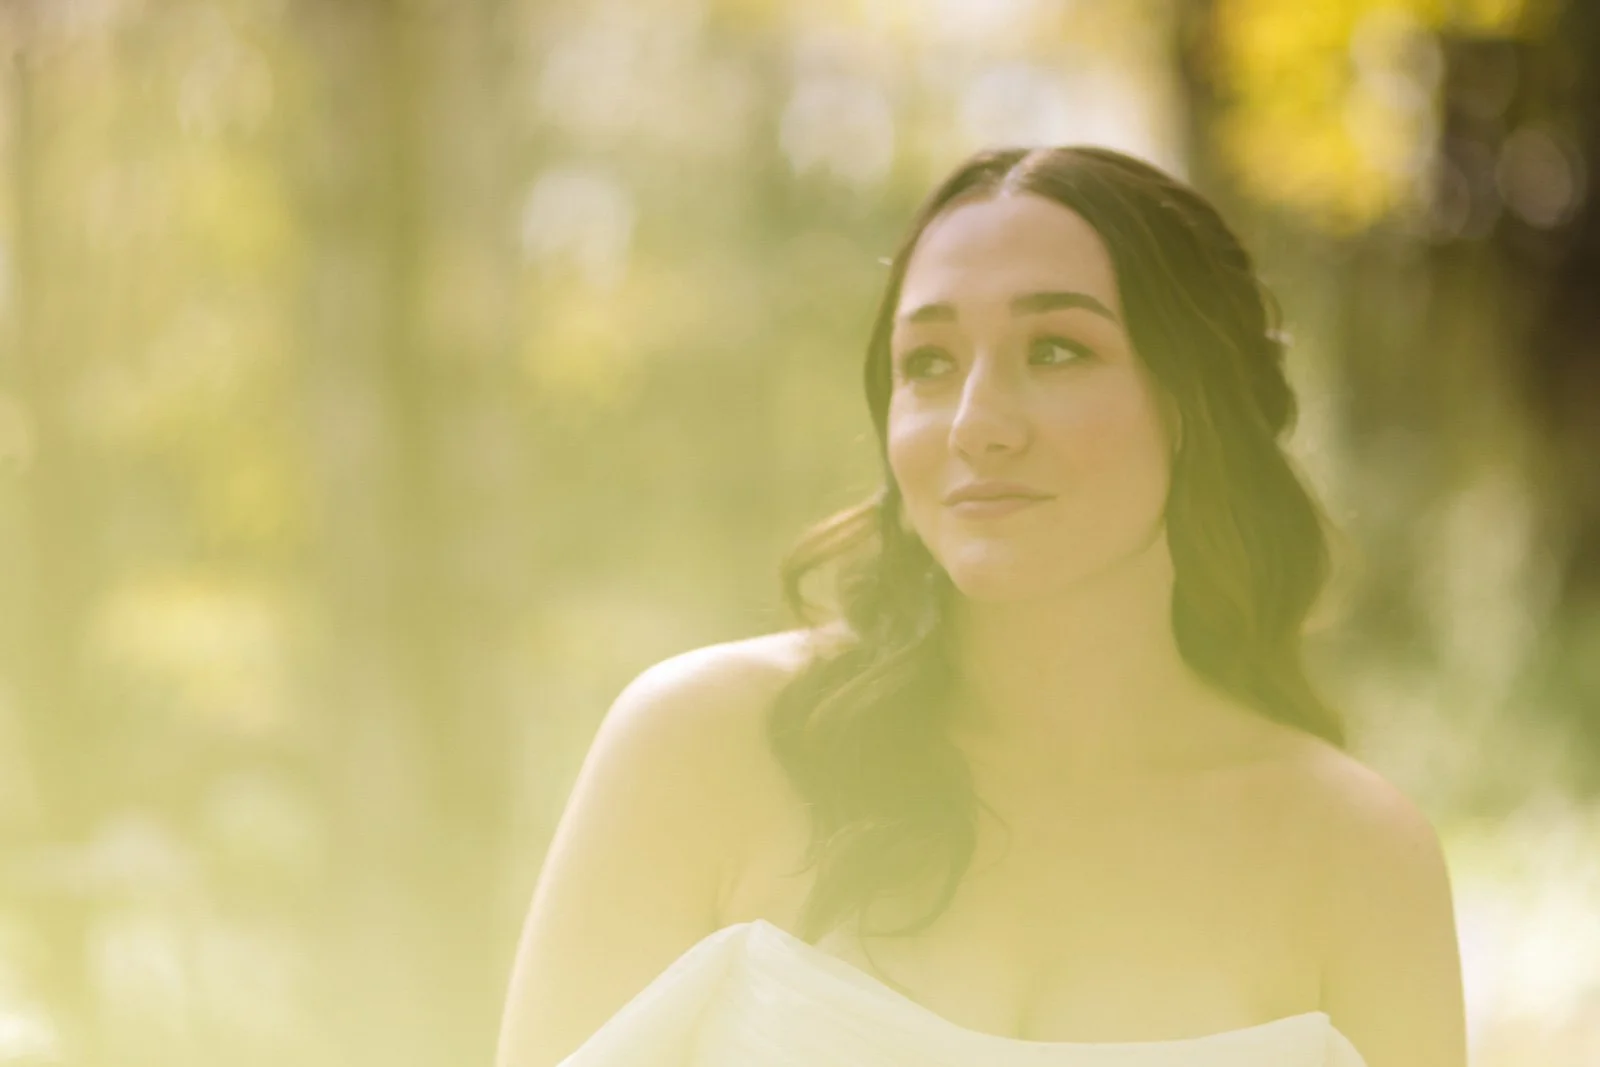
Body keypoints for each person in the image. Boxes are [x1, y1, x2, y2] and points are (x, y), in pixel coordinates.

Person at [495, 145, 1467, 1067]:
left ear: (1197, 406)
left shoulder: (1358, 856)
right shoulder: (705, 745)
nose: (975, 424)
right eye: (928, 362)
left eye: (1057, 349)